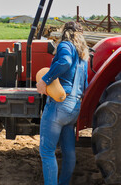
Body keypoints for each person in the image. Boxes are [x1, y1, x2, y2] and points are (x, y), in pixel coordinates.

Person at [36, 21, 89, 185]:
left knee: (46, 152)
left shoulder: (65, 45)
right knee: (69, 153)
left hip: (59, 105)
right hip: (74, 108)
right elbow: (85, 84)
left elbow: (64, 62)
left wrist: (45, 80)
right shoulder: (83, 56)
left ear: (64, 32)